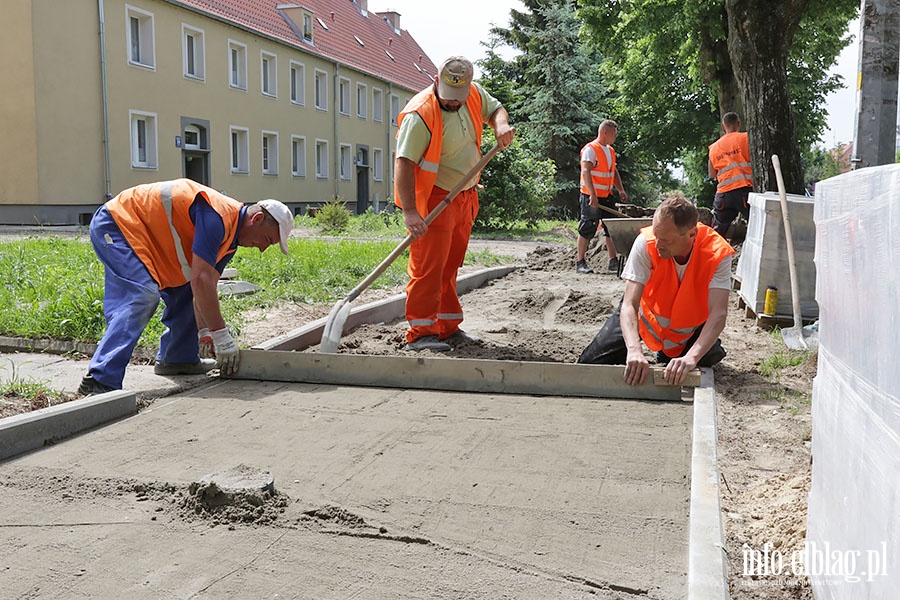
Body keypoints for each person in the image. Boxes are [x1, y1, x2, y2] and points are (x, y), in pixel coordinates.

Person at [78, 178, 293, 395]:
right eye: (267, 239)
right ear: (256, 219)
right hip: (119, 223)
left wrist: (206, 332)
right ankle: (100, 379)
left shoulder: (230, 242)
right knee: (141, 295)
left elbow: (202, 289)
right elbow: (201, 280)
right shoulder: (216, 216)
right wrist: (221, 336)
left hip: (151, 242)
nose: (263, 249)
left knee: (189, 288)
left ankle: (178, 358)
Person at [394, 56, 515, 352]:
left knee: (450, 265)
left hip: (464, 195)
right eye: (449, 99)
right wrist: (410, 212)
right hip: (435, 197)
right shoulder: (420, 114)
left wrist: (501, 126)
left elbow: (496, 109)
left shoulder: (472, 94)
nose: (454, 104)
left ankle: (447, 326)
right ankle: (421, 332)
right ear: (437, 83)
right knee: (429, 267)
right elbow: (404, 163)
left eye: (458, 100)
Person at [577, 194, 734, 386]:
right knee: (589, 363)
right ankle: (658, 352)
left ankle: (673, 353)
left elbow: (719, 313)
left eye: (666, 240)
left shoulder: (717, 252)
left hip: (689, 328)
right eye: (656, 235)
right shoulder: (646, 242)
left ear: (692, 234)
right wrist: (634, 350)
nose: (658, 244)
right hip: (646, 317)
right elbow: (629, 304)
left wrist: (691, 358)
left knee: (705, 358)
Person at [576, 120, 628, 274]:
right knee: (587, 227)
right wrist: (592, 195)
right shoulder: (591, 149)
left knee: (610, 228)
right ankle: (580, 262)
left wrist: (621, 189)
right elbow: (586, 172)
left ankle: (613, 261)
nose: (615, 136)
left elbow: (614, 171)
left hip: (606, 195)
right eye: (614, 133)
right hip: (590, 196)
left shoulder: (610, 151)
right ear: (605, 132)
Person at [708, 112, 753, 238]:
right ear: (738, 124)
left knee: (717, 233)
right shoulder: (746, 138)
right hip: (744, 190)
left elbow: (712, 174)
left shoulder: (713, 147)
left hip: (723, 194)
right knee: (755, 225)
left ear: (723, 126)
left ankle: (713, 255)